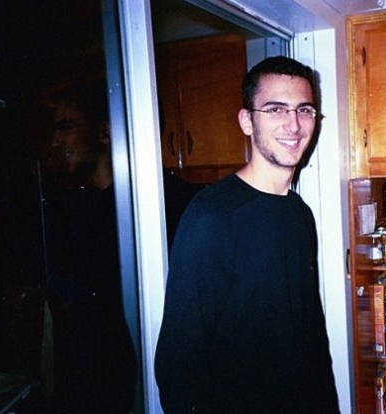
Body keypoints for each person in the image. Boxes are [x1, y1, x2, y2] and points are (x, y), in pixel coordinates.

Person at [155, 56, 340, 414]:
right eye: (275, 109)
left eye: (304, 110)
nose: (293, 124)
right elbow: (179, 361)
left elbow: (311, 336)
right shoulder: (212, 217)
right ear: (246, 121)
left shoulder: (299, 214)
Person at [40, 80, 137, 413]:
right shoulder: (77, 205)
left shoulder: (135, 210)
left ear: (105, 132)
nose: (56, 141)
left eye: (66, 126)